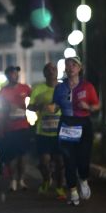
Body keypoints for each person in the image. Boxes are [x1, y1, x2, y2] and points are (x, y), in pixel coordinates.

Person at [53, 56, 99, 206]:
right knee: (68, 160)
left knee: (83, 158)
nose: (71, 67)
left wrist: (88, 107)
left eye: (74, 64)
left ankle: (83, 179)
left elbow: (96, 105)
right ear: (65, 69)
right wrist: (50, 108)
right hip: (66, 124)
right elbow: (55, 106)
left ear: (79, 68)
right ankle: (72, 191)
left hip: (83, 124)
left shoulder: (87, 86)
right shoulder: (60, 88)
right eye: (68, 65)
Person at [28, 62, 66, 199]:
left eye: (53, 69)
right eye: (48, 69)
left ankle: (60, 187)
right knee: (44, 161)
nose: (51, 71)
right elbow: (30, 107)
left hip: (60, 132)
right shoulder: (38, 89)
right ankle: (46, 180)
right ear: (44, 73)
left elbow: (70, 104)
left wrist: (58, 106)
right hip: (43, 132)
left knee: (60, 161)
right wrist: (40, 106)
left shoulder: (63, 88)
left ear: (57, 72)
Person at [0, 65, 32, 191]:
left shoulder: (25, 88)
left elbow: (34, 101)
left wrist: (30, 107)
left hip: (23, 126)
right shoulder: (2, 92)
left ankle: (21, 180)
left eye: (16, 73)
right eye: (12, 73)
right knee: (11, 157)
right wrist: (7, 108)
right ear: (7, 75)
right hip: (9, 128)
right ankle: (12, 180)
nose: (14, 75)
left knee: (23, 156)